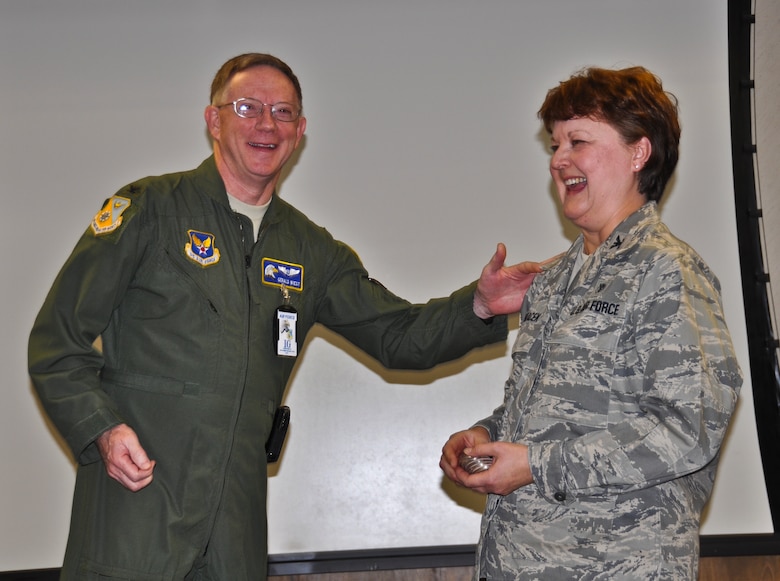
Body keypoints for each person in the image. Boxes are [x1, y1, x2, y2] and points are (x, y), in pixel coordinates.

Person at [27, 53, 543, 580]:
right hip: (134, 511)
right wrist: (104, 430)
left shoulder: (310, 251)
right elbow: (55, 343)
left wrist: (479, 305)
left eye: (283, 112)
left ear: (299, 132)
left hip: (234, 531)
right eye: (248, 107)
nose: (266, 124)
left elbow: (399, 336)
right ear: (214, 119)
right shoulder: (151, 209)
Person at [440, 66, 743, 580]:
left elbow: (688, 428)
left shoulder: (667, 271)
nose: (559, 160)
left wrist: (536, 464)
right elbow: (553, 407)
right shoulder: (555, 278)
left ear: (638, 153)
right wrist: (485, 435)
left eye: (577, 141)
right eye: (554, 146)